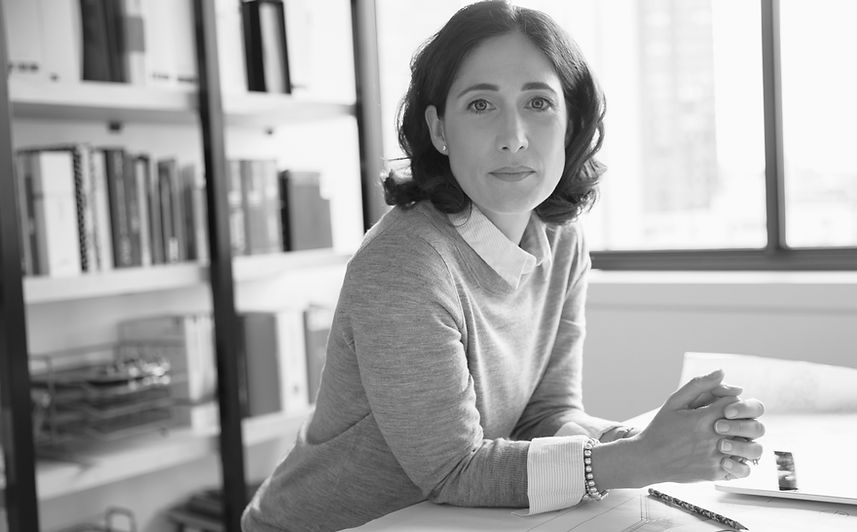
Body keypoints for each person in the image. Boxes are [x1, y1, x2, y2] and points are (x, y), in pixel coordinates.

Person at [242, 2, 765, 531]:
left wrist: (651, 439)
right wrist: (642, 460)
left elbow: (546, 414)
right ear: (439, 130)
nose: (514, 134)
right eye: (480, 105)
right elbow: (453, 470)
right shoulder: (403, 263)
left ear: (571, 124)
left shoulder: (560, 240)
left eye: (538, 102)